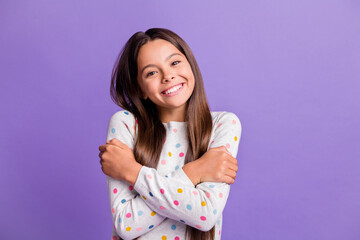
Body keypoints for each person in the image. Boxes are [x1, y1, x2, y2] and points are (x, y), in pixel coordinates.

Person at [98, 28, 242, 240]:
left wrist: (131, 171)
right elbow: (126, 224)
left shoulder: (223, 124)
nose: (168, 76)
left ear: (190, 64)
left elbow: (204, 216)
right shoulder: (126, 124)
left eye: (174, 62)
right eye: (151, 72)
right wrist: (195, 172)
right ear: (140, 89)